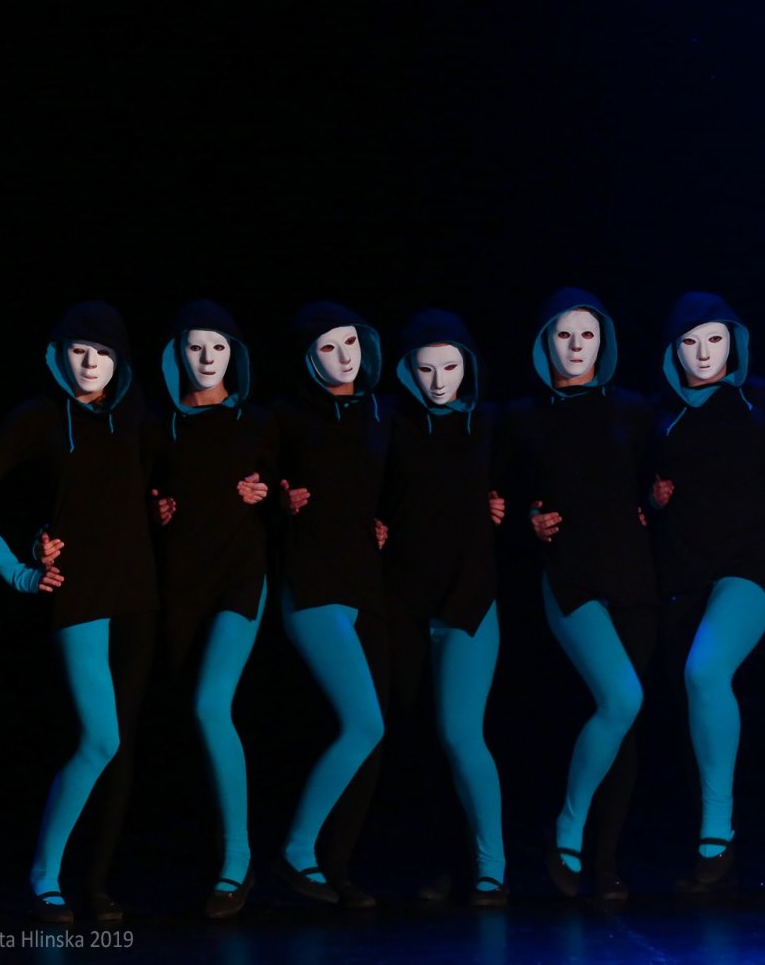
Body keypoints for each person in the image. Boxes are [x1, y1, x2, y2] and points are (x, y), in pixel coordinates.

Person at [0, 301, 157, 924]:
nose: (90, 363)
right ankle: (45, 875)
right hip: (80, 592)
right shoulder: (39, 416)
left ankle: (95, 882)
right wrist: (20, 568)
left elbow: (151, 484)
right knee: (101, 739)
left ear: (120, 360)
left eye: (102, 352)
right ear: (58, 356)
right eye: (78, 351)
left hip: (141, 595)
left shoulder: (135, 413)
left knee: (124, 745)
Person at [501, 288, 658, 901]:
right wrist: (526, 521)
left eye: (587, 335)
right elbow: (503, 498)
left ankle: (605, 861)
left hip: (633, 577)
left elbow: (654, 483)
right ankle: (567, 827)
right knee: (620, 699)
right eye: (563, 335)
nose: (575, 346)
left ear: (604, 342)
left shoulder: (633, 410)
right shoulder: (521, 417)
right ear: (546, 343)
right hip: (570, 576)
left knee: (625, 722)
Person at [143, 300, 275, 918]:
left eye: (218, 347)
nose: (206, 358)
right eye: (196, 347)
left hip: (239, 581)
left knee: (209, 704)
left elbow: (293, 496)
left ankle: (238, 859)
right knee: (180, 715)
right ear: (177, 354)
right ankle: (201, 848)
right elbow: (133, 498)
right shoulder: (158, 426)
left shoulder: (257, 422)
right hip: (179, 585)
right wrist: (153, 510)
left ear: (234, 354)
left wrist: (268, 493)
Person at [650, 292, 765, 892]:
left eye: (715, 339)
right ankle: (708, 829)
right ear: (673, 350)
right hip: (683, 573)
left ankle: (718, 824)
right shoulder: (659, 416)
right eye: (690, 342)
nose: (704, 353)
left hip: (751, 565)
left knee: (705, 671)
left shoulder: (763, 403)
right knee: (690, 700)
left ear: (734, 342)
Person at [380, 309, 508, 905]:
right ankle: (439, 863)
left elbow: (528, 488)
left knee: (461, 734)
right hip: (405, 601)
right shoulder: (391, 425)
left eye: (449, 368)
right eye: (425, 369)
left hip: (469, 600)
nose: (438, 381)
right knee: (416, 739)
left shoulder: (486, 424)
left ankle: (491, 865)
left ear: (467, 367)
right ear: (408, 370)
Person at [271, 302, 391, 909]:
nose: (344, 357)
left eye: (351, 343)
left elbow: (397, 490)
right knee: (365, 723)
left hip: (367, 587)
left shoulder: (378, 413)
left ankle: (336, 868)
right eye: (327, 347)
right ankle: (296, 850)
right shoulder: (286, 417)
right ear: (307, 358)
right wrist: (275, 501)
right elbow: (252, 485)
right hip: (313, 585)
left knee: (368, 733)